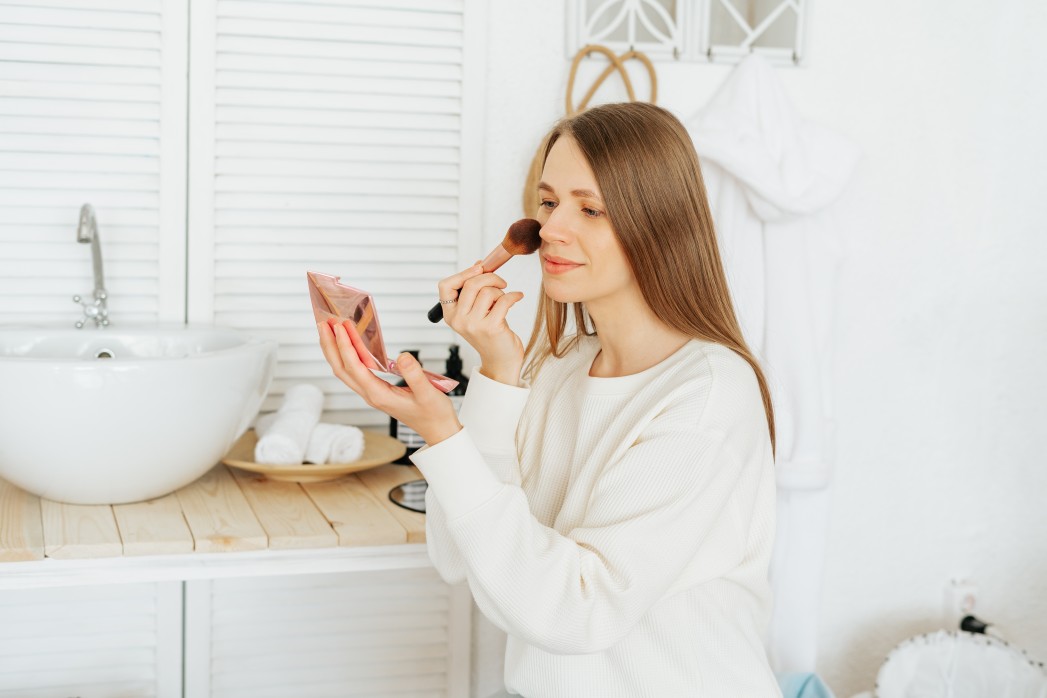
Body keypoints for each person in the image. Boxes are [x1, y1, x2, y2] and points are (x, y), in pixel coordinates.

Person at [317, 102, 781, 698]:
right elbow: (458, 557)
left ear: (659, 223)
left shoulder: (706, 396)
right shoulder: (555, 368)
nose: (552, 230)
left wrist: (443, 436)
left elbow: (578, 609)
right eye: (548, 202)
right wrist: (497, 375)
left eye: (590, 209)